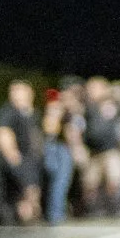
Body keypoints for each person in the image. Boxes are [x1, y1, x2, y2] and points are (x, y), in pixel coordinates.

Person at [0, 79, 43, 225]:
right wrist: (12, 155)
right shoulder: (8, 112)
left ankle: (31, 216)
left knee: (31, 190)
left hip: (32, 158)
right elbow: (2, 133)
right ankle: (27, 217)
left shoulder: (32, 112)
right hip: (20, 158)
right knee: (29, 190)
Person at [79, 76, 120, 215]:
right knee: (90, 182)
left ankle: (114, 207)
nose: (91, 91)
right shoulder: (87, 108)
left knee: (114, 179)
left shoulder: (112, 105)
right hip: (93, 151)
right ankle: (93, 208)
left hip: (111, 149)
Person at [38, 89, 76, 225]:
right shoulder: (47, 115)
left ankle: (57, 212)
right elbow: (49, 130)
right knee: (58, 179)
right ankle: (55, 213)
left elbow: (71, 136)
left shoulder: (68, 116)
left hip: (62, 149)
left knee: (61, 180)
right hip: (51, 149)